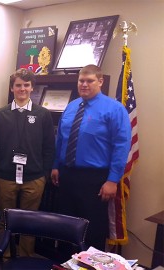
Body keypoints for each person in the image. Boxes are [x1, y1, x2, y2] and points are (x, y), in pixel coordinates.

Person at [51, 64, 131, 250]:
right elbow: (61, 140)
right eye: (81, 81)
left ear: (100, 81)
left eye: (90, 81)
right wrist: (56, 165)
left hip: (95, 179)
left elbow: (121, 146)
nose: (84, 84)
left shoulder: (114, 109)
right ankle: (63, 264)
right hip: (67, 175)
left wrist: (112, 180)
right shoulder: (71, 107)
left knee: (91, 229)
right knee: (65, 226)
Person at [0, 68, 55, 257]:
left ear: (32, 87)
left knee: (29, 221)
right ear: (12, 88)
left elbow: (49, 147)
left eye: (26, 85)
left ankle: (26, 258)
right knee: (6, 219)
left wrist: (43, 175)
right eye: (18, 85)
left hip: (34, 178)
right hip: (6, 177)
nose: (22, 89)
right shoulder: (1, 114)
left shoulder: (42, 114)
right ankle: (6, 256)